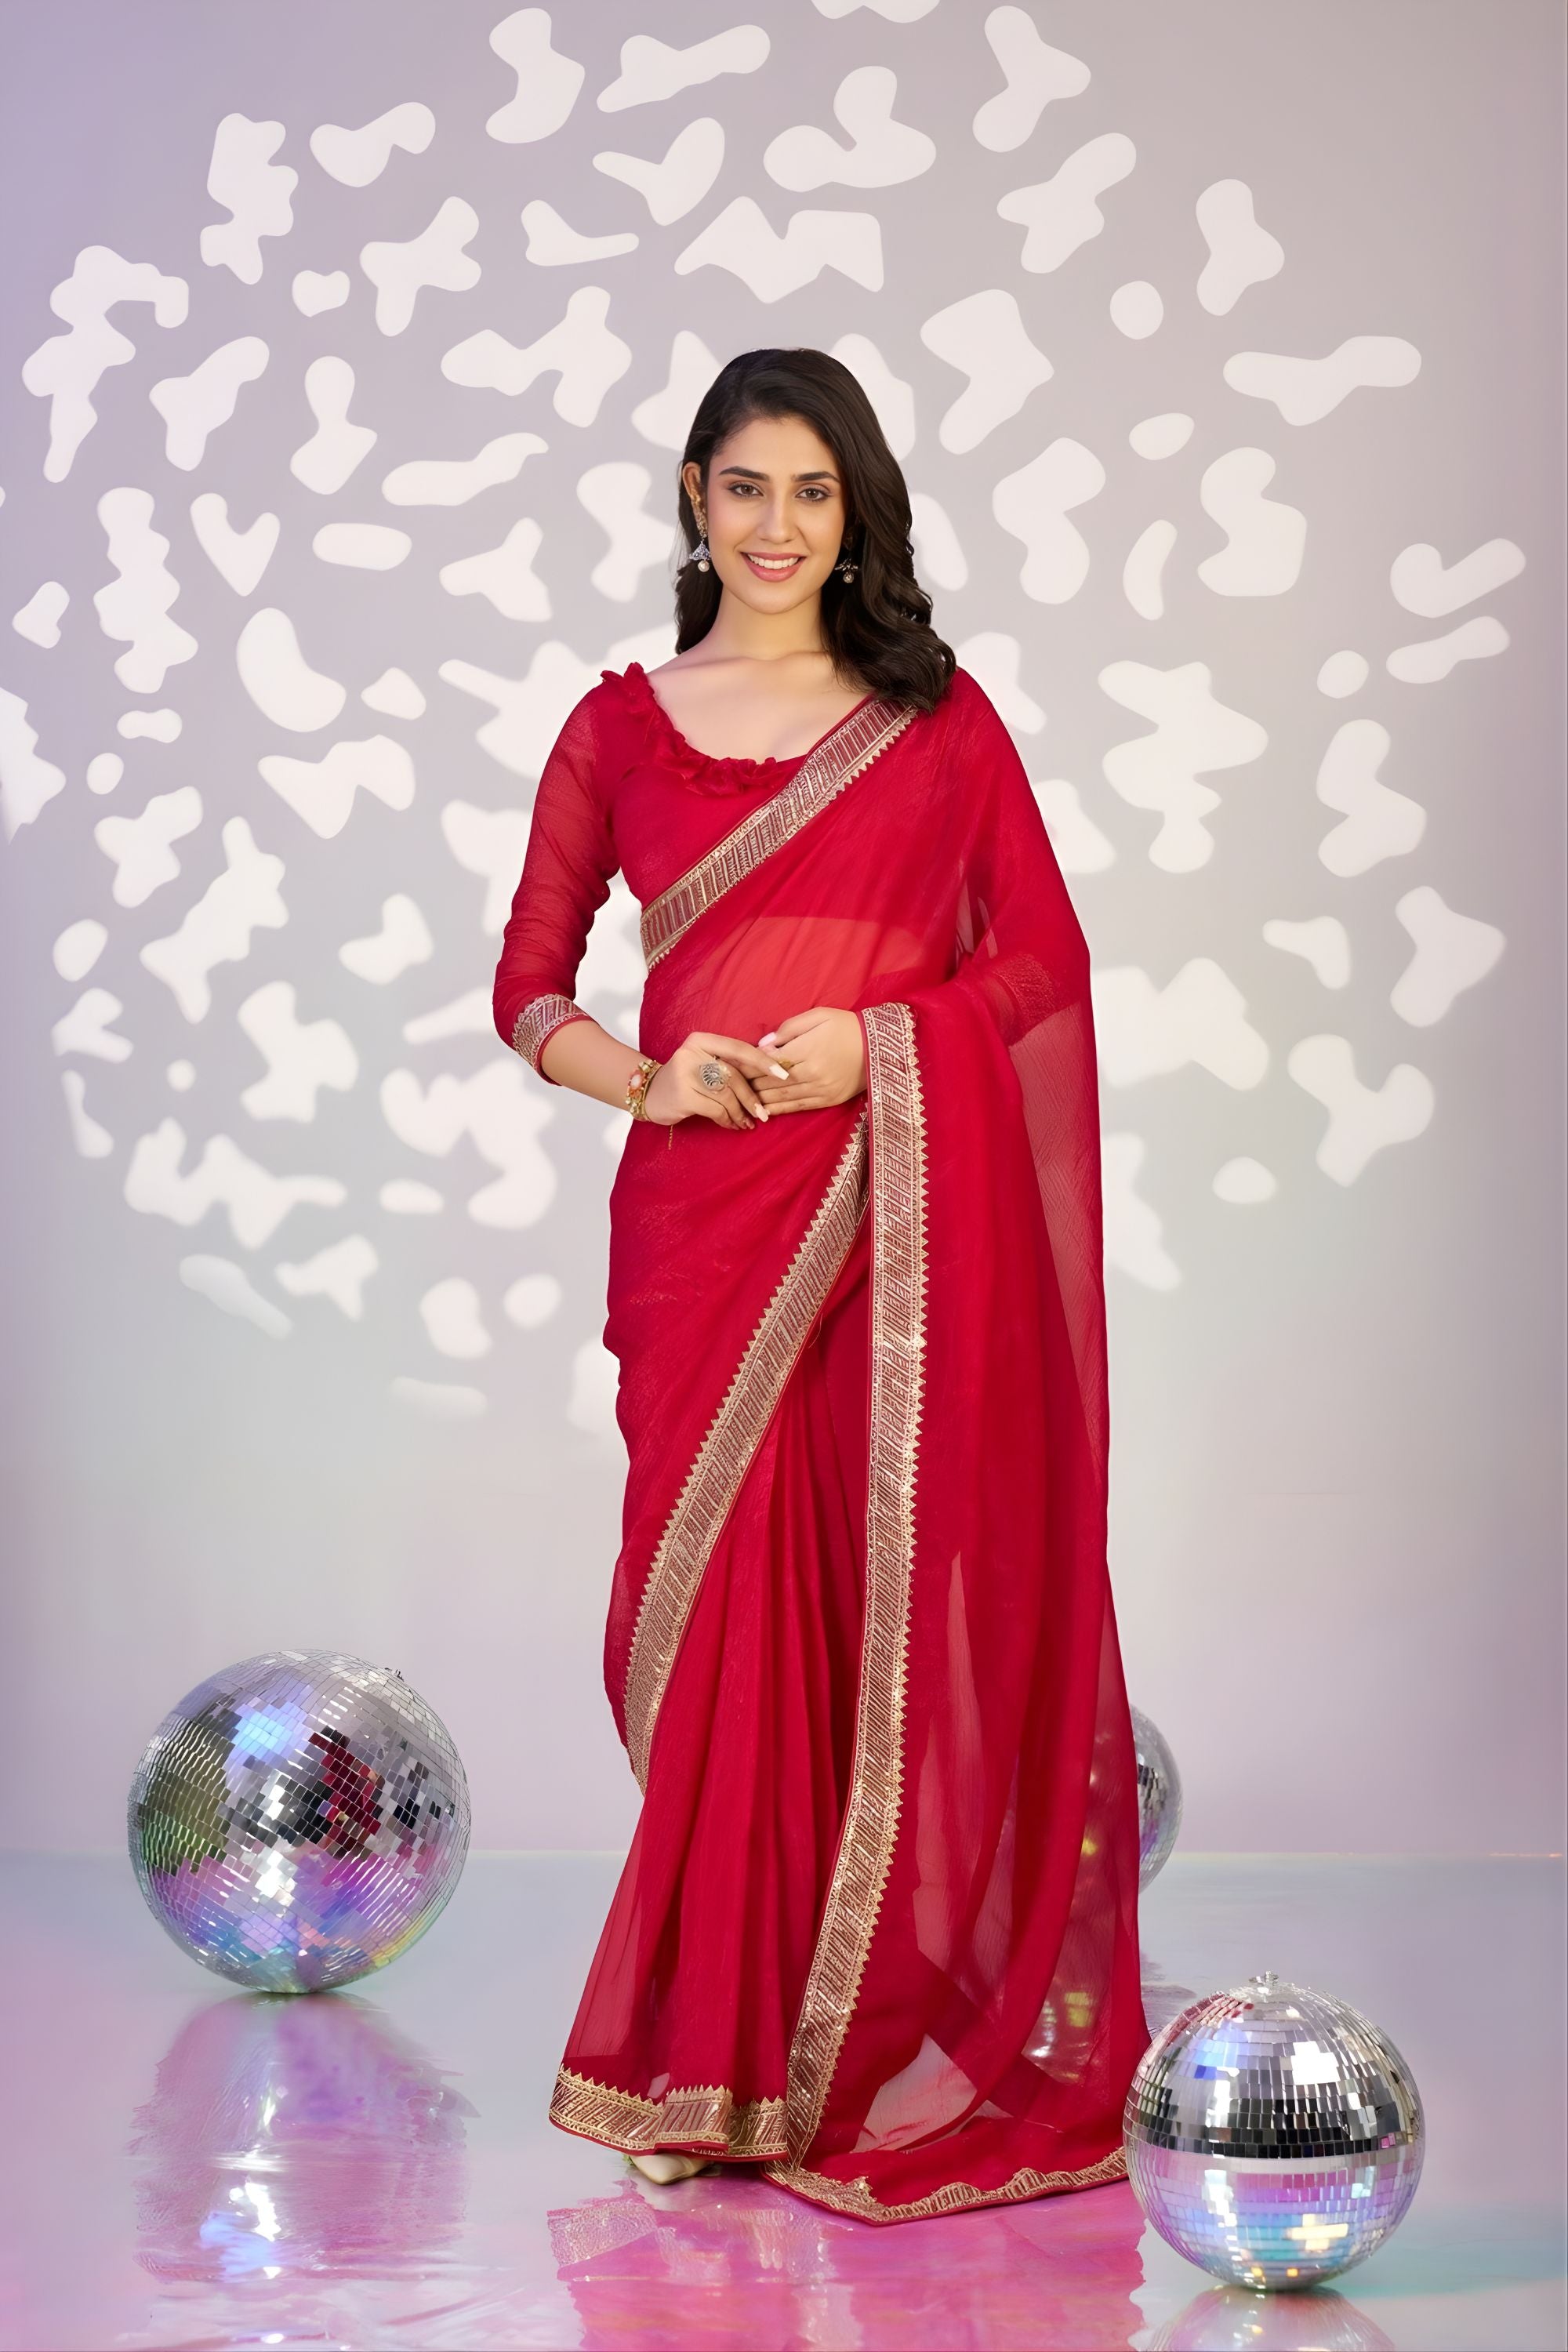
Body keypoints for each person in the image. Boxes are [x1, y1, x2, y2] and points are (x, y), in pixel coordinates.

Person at [492, 348, 1149, 2224]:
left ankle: (832, 2054)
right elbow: (526, 986)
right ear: (691, 500)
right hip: (703, 1223)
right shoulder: (617, 730)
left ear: (853, 514)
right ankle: (708, 2061)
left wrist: (879, 1045)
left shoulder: (934, 725)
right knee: (708, 1629)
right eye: (744, 488)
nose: (775, 528)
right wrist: (652, 1080)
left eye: (812, 493)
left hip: (884, 1222)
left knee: (863, 1616)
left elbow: (1041, 962)